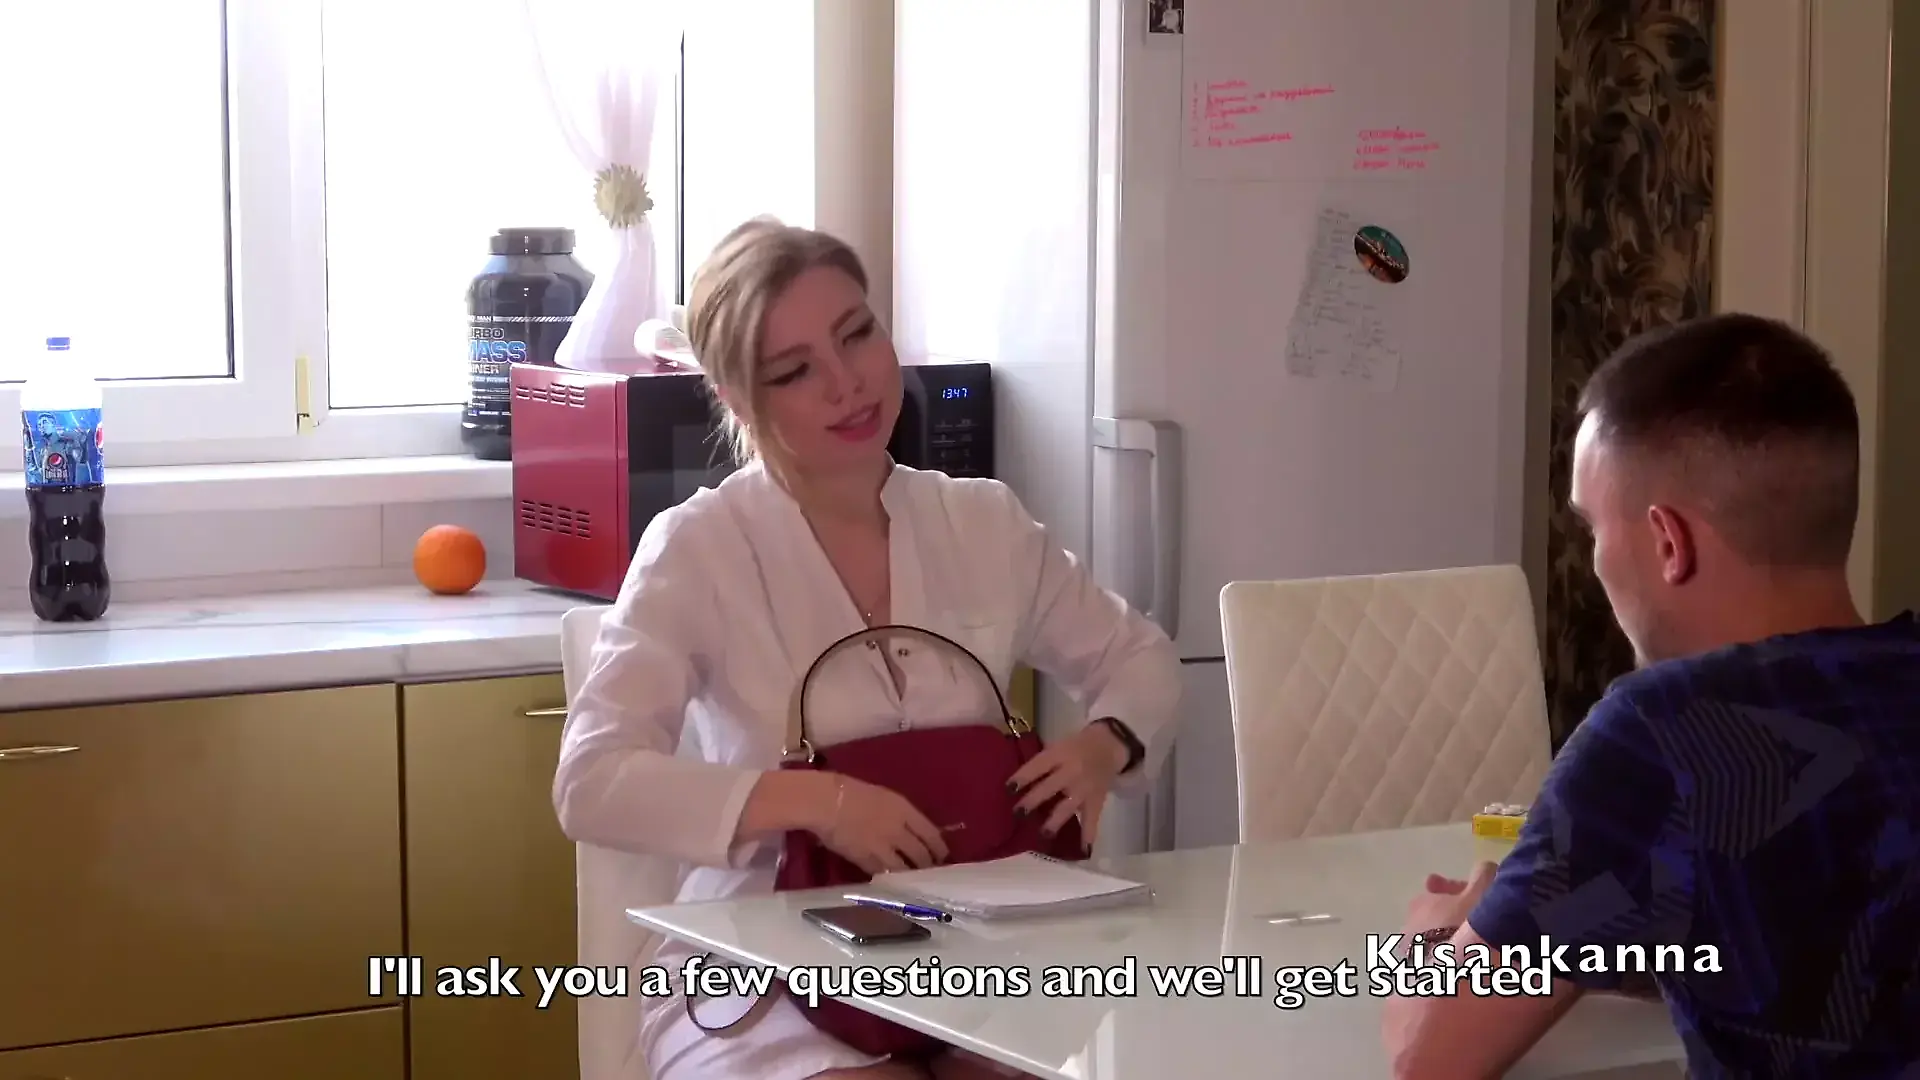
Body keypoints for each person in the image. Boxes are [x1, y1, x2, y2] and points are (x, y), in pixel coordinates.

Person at [554, 217, 1182, 1080]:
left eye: (857, 334)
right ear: (739, 400)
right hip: (762, 972)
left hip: (976, 957)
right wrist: (820, 802)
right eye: (795, 370)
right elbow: (591, 783)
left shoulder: (982, 522)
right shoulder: (697, 548)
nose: (847, 383)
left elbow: (1141, 659)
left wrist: (1105, 746)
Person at [1383, 313, 1920, 1077]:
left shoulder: (1666, 731)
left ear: (1670, 543)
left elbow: (1429, 1053)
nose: (1596, 561)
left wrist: (1436, 935)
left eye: (1594, 530)